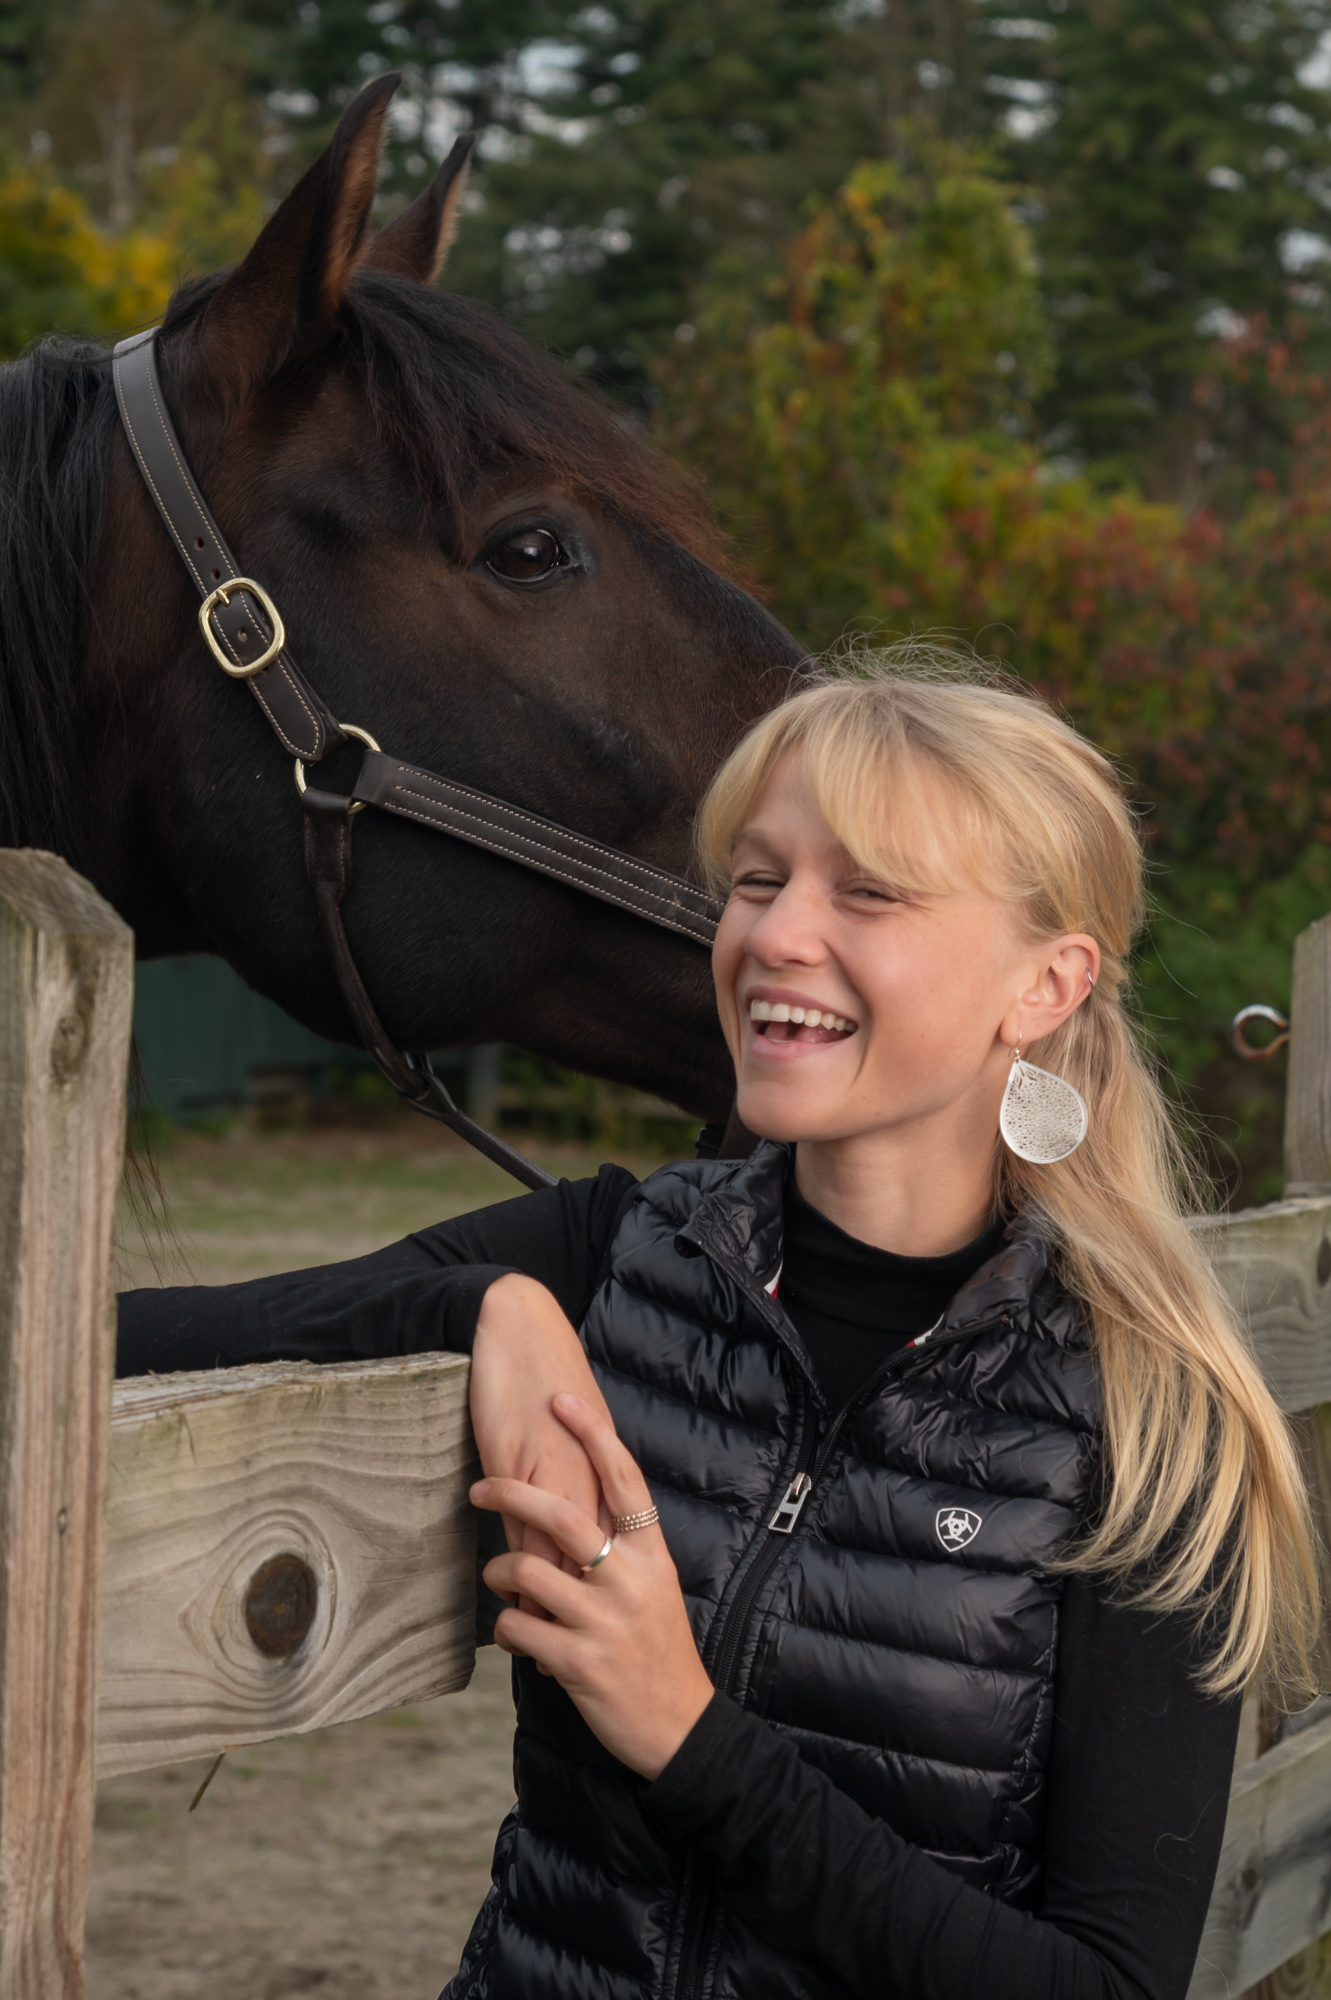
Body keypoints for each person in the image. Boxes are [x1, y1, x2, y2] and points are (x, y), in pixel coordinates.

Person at [118, 651, 1318, 2000]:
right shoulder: (627, 1251)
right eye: (758, 878)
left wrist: (691, 1741)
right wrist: (488, 1302)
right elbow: (128, 1344)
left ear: (1043, 987)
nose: (778, 935)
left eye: (868, 891)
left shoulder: (1152, 1421)